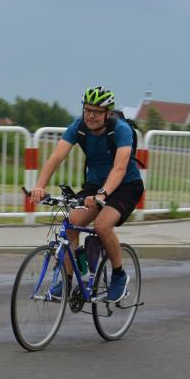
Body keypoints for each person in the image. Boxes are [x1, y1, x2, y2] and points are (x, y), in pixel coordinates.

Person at [29, 85, 144, 302]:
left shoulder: (121, 130)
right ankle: (69, 279)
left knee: (102, 226)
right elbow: (56, 157)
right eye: (87, 110)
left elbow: (119, 168)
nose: (91, 116)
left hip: (126, 186)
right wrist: (39, 186)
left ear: (108, 113)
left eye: (97, 112)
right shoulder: (78, 127)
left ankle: (119, 275)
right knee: (72, 223)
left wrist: (102, 195)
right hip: (95, 185)